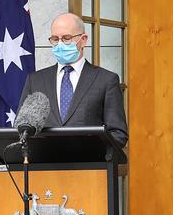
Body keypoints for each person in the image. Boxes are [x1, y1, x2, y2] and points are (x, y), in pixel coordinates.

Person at [19, 13, 128, 147]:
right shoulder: (35, 80)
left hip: (90, 165)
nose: (59, 44)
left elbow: (118, 134)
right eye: (55, 39)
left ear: (83, 40)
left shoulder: (106, 80)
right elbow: (22, 129)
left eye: (66, 38)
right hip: (44, 165)